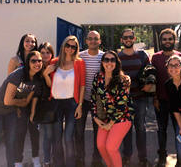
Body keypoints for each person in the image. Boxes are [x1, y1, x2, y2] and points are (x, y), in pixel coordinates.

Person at [0, 51, 43, 167]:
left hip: (10, 112)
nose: (37, 63)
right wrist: (20, 102)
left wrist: (18, 102)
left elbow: (26, 101)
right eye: (33, 61)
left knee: (11, 143)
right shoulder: (18, 74)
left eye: (39, 61)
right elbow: (7, 101)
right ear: (27, 62)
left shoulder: (37, 79)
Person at [91, 50, 134, 167]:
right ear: (102, 62)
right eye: (106, 60)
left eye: (112, 60)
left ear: (117, 63)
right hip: (105, 118)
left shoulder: (124, 80)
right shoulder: (98, 77)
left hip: (122, 118)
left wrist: (111, 123)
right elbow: (94, 98)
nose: (109, 62)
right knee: (100, 145)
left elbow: (121, 105)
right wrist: (95, 117)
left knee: (111, 147)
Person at [151, 28, 181, 166]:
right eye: (164, 39)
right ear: (161, 41)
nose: (167, 42)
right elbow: (153, 79)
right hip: (161, 101)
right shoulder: (155, 57)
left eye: (170, 39)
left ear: (174, 40)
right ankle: (162, 155)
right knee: (162, 130)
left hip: (178, 102)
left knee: (179, 129)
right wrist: (154, 98)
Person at [50, 35, 86, 167]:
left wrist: (80, 105)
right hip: (55, 103)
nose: (70, 48)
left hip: (72, 103)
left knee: (68, 138)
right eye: (68, 45)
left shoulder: (80, 63)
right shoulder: (54, 62)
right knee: (57, 138)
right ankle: (58, 163)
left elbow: (82, 85)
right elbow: (49, 84)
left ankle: (71, 164)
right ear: (63, 46)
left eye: (73, 46)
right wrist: (45, 73)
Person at [118, 29, 151, 167]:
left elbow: (150, 71)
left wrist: (149, 84)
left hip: (140, 98)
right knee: (125, 129)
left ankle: (142, 158)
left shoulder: (142, 55)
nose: (128, 39)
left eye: (130, 37)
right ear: (121, 40)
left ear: (134, 38)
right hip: (124, 99)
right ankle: (126, 156)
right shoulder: (117, 57)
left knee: (140, 128)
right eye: (125, 37)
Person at [7, 34, 41, 167]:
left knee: (35, 133)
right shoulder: (15, 60)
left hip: (35, 101)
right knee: (20, 133)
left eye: (33, 41)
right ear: (22, 43)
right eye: (27, 41)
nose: (30, 43)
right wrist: (14, 105)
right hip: (20, 103)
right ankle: (18, 161)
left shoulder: (37, 58)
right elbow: (9, 83)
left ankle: (36, 159)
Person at [75, 31, 104, 167]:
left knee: (98, 131)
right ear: (86, 41)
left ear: (99, 41)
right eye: (90, 39)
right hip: (81, 100)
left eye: (95, 39)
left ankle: (96, 160)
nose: (93, 41)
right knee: (79, 131)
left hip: (98, 101)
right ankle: (80, 159)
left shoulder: (104, 57)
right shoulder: (80, 56)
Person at [30, 42, 56, 167]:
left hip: (52, 104)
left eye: (48, 52)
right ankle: (46, 160)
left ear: (52, 54)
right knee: (45, 134)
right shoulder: (36, 67)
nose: (45, 55)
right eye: (43, 52)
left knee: (50, 134)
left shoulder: (54, 66)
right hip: (39, 104)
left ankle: (49, 158)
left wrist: (46, 74)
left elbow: (52, 86)